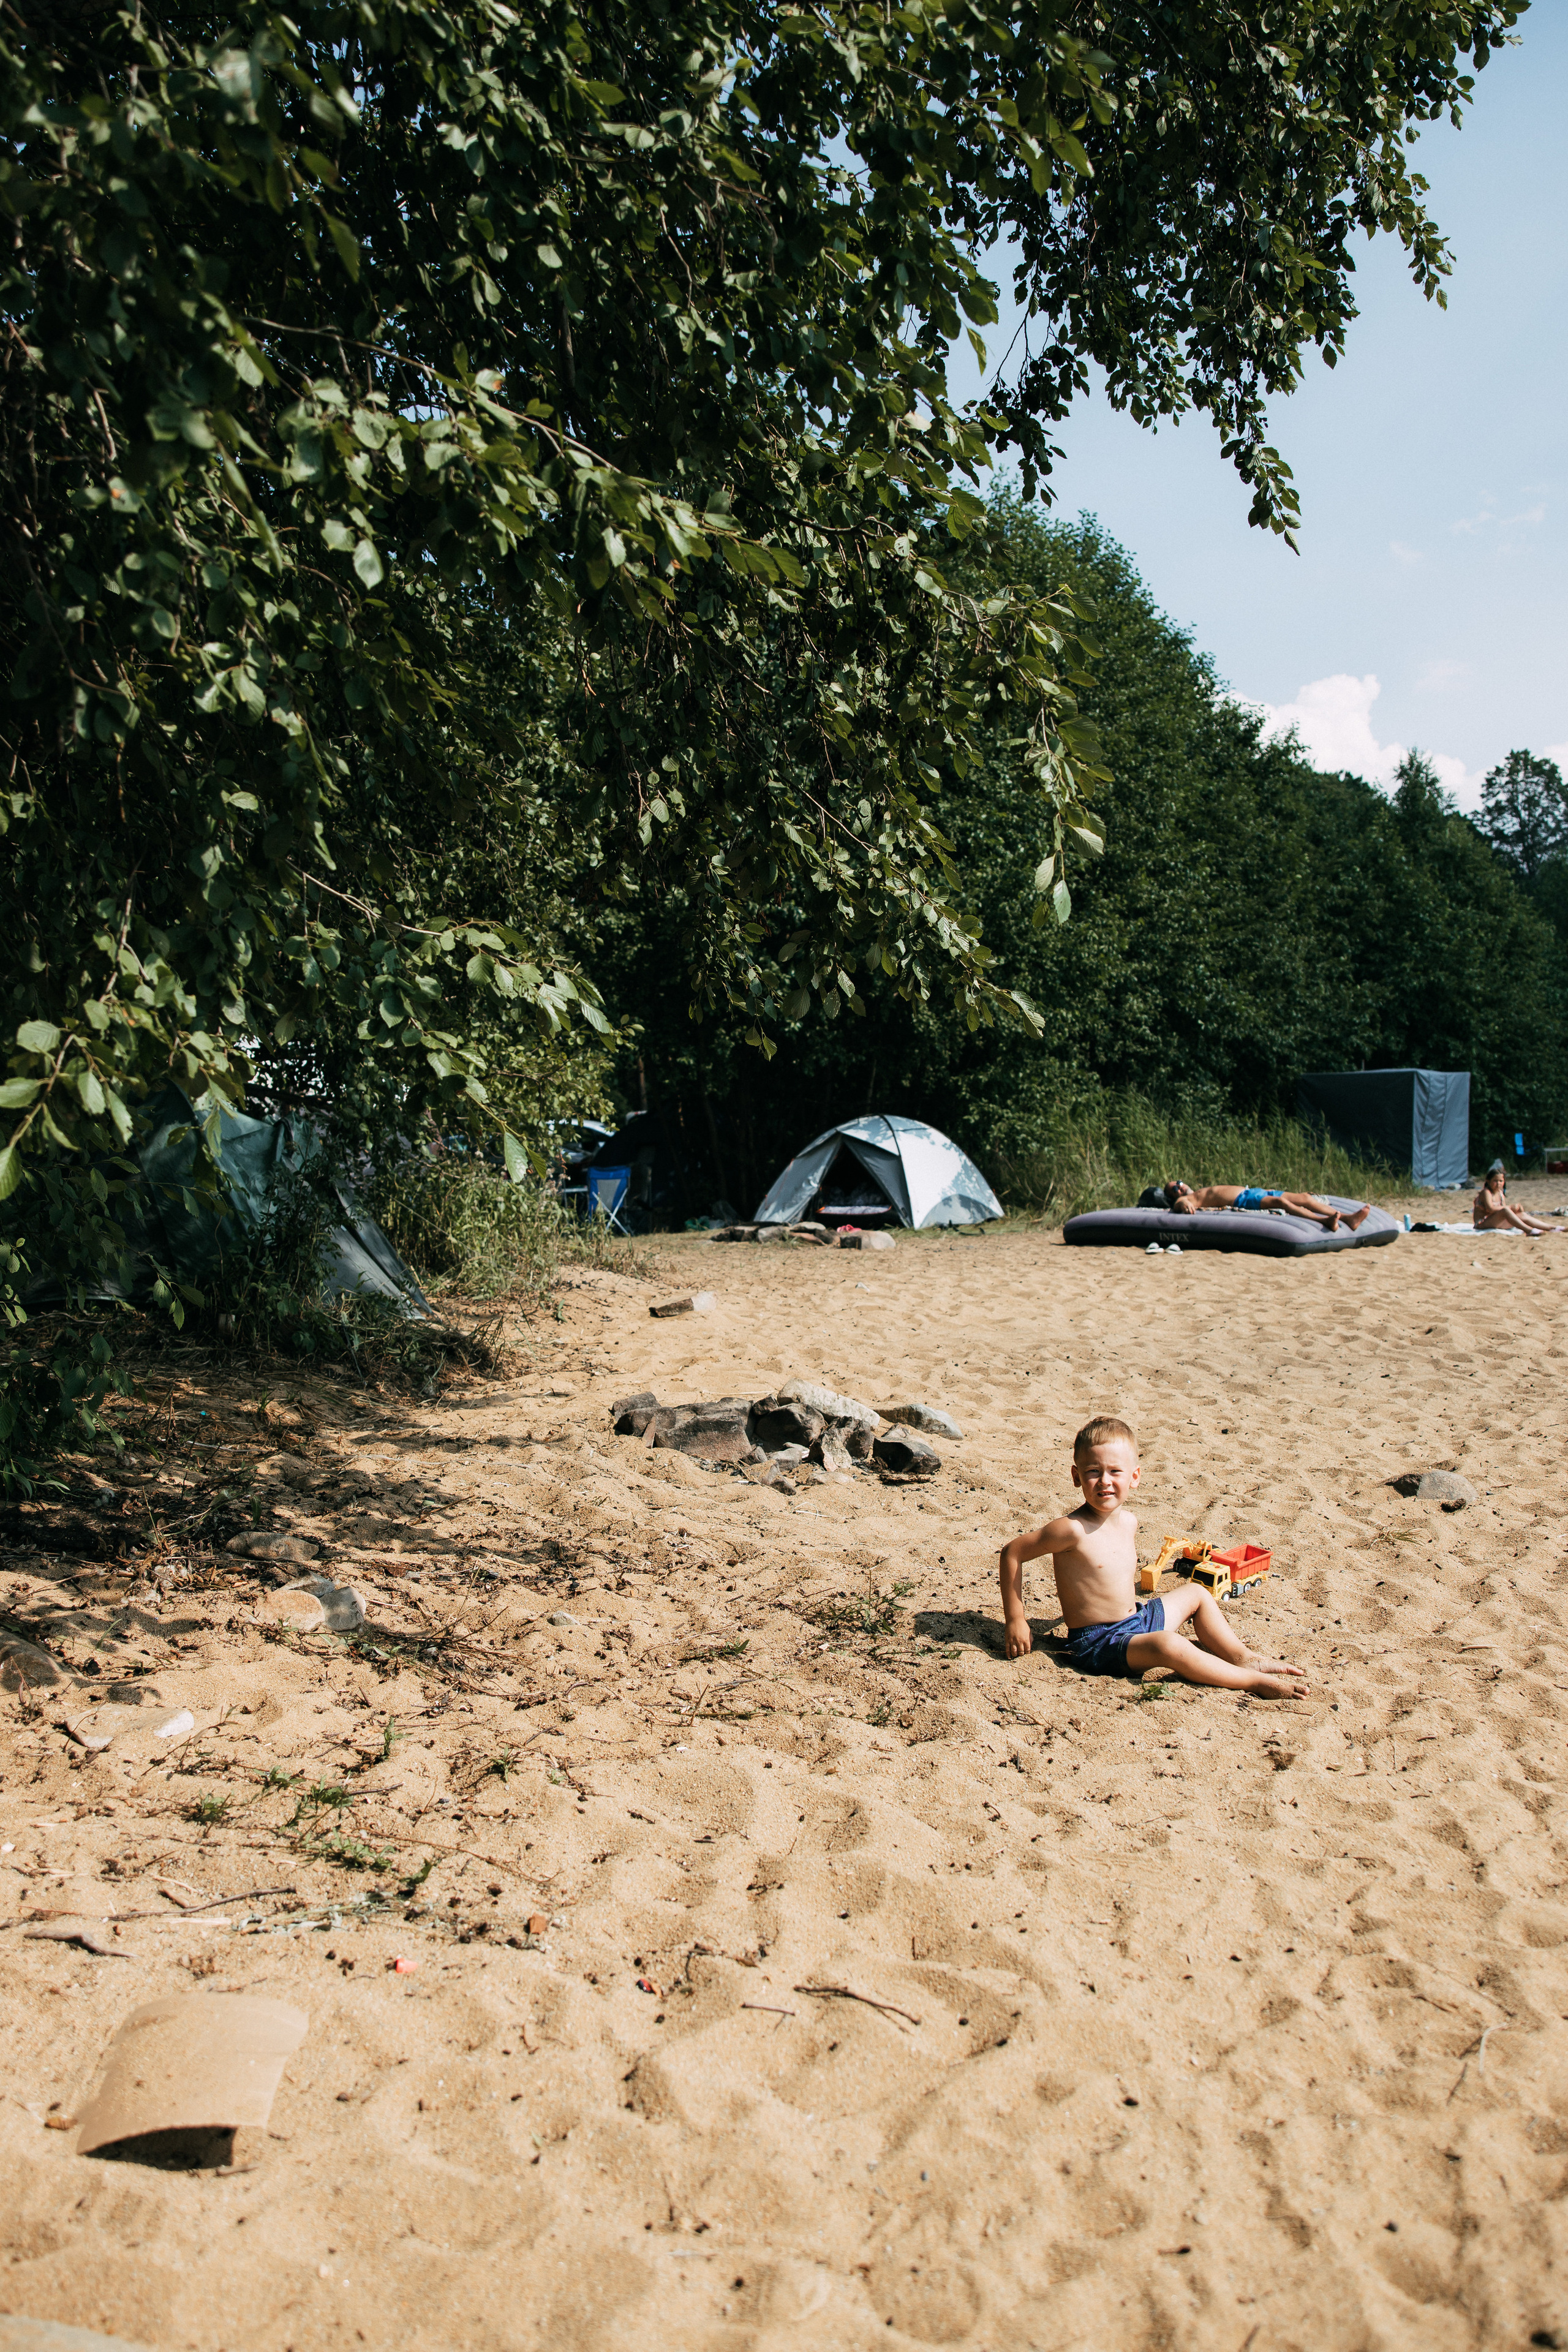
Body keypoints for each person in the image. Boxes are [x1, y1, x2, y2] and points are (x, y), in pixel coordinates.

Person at [998, 1416, 1308, 1699]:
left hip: (1138, 1619)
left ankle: (1242, 1657)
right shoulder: (1071, 1530)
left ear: (1134, 1477)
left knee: (1198, 1593)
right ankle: (1248, 1681)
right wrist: (1016, 1619)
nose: (1105, 1481)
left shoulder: (1129, 1521)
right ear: (1077, 1476)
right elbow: (1013, 1553)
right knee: (1168, 1645)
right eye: (1094, 1472)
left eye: (1115, 1471)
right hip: (1099, 1642)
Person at [1162, 1178, 1369, 1233]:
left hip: (1253, 1191)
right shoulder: (1189, 1199)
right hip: (1242, 1200)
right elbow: (1180, 1204)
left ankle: (1349, 1218)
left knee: (1305, 1198)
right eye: (1174, 1189)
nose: (1179, 1188)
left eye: (1179, 1183)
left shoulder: (1197, 1191)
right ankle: (1325, 1221)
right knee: (1281, 1203)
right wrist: (1182, 1205)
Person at [1472, 1159, 1563, 1235]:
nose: (1498, 1183)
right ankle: (1529, 1230)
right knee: (1506, 1210)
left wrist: (1515, 1210)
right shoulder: (1486, 1192)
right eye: (1495, 1181)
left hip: (1494, 1221)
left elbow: (1502, 1210)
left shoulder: (1500, 1193)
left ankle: (1553, 1227)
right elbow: (1491, 1209)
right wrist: (1510, 1208)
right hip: (1482, 1223)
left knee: (1522, 1215)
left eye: (1501, 1181)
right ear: (1488, 1181)